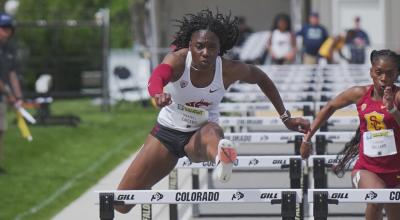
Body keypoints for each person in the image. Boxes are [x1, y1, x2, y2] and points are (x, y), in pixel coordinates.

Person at [115, 9, 310, 214]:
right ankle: (214, 156)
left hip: (201, 134)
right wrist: (157, 94)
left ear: (219, 49)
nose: (205, 52)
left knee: (212, 132)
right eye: (199, 46)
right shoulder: (178, 60)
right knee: (121, 203)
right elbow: (157, 77)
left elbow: (261, 77)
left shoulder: (227, 69)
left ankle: (221, 158)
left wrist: (286, 118)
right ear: (190, 46)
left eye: (211, 47)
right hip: (167, 132)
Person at [300, 49, 400, 220]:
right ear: (371, 72)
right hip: (368, 170)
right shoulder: (359, 94)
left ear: (397, 74)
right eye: (379, 72)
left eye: (390, 74)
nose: (384, 78)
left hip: (397, 172)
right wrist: (307, 139)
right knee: (375, 198)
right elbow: (330, 107)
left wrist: (393, 110)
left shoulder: (398, 97)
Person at [0, 13, 23, 174]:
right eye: (4, 28)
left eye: (9, 29)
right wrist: (9, 93)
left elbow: (12, 74)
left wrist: (18, 96)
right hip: (3, 94)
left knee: (1, 130)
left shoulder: (7, 50)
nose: (7, 32)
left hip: (2, 97)